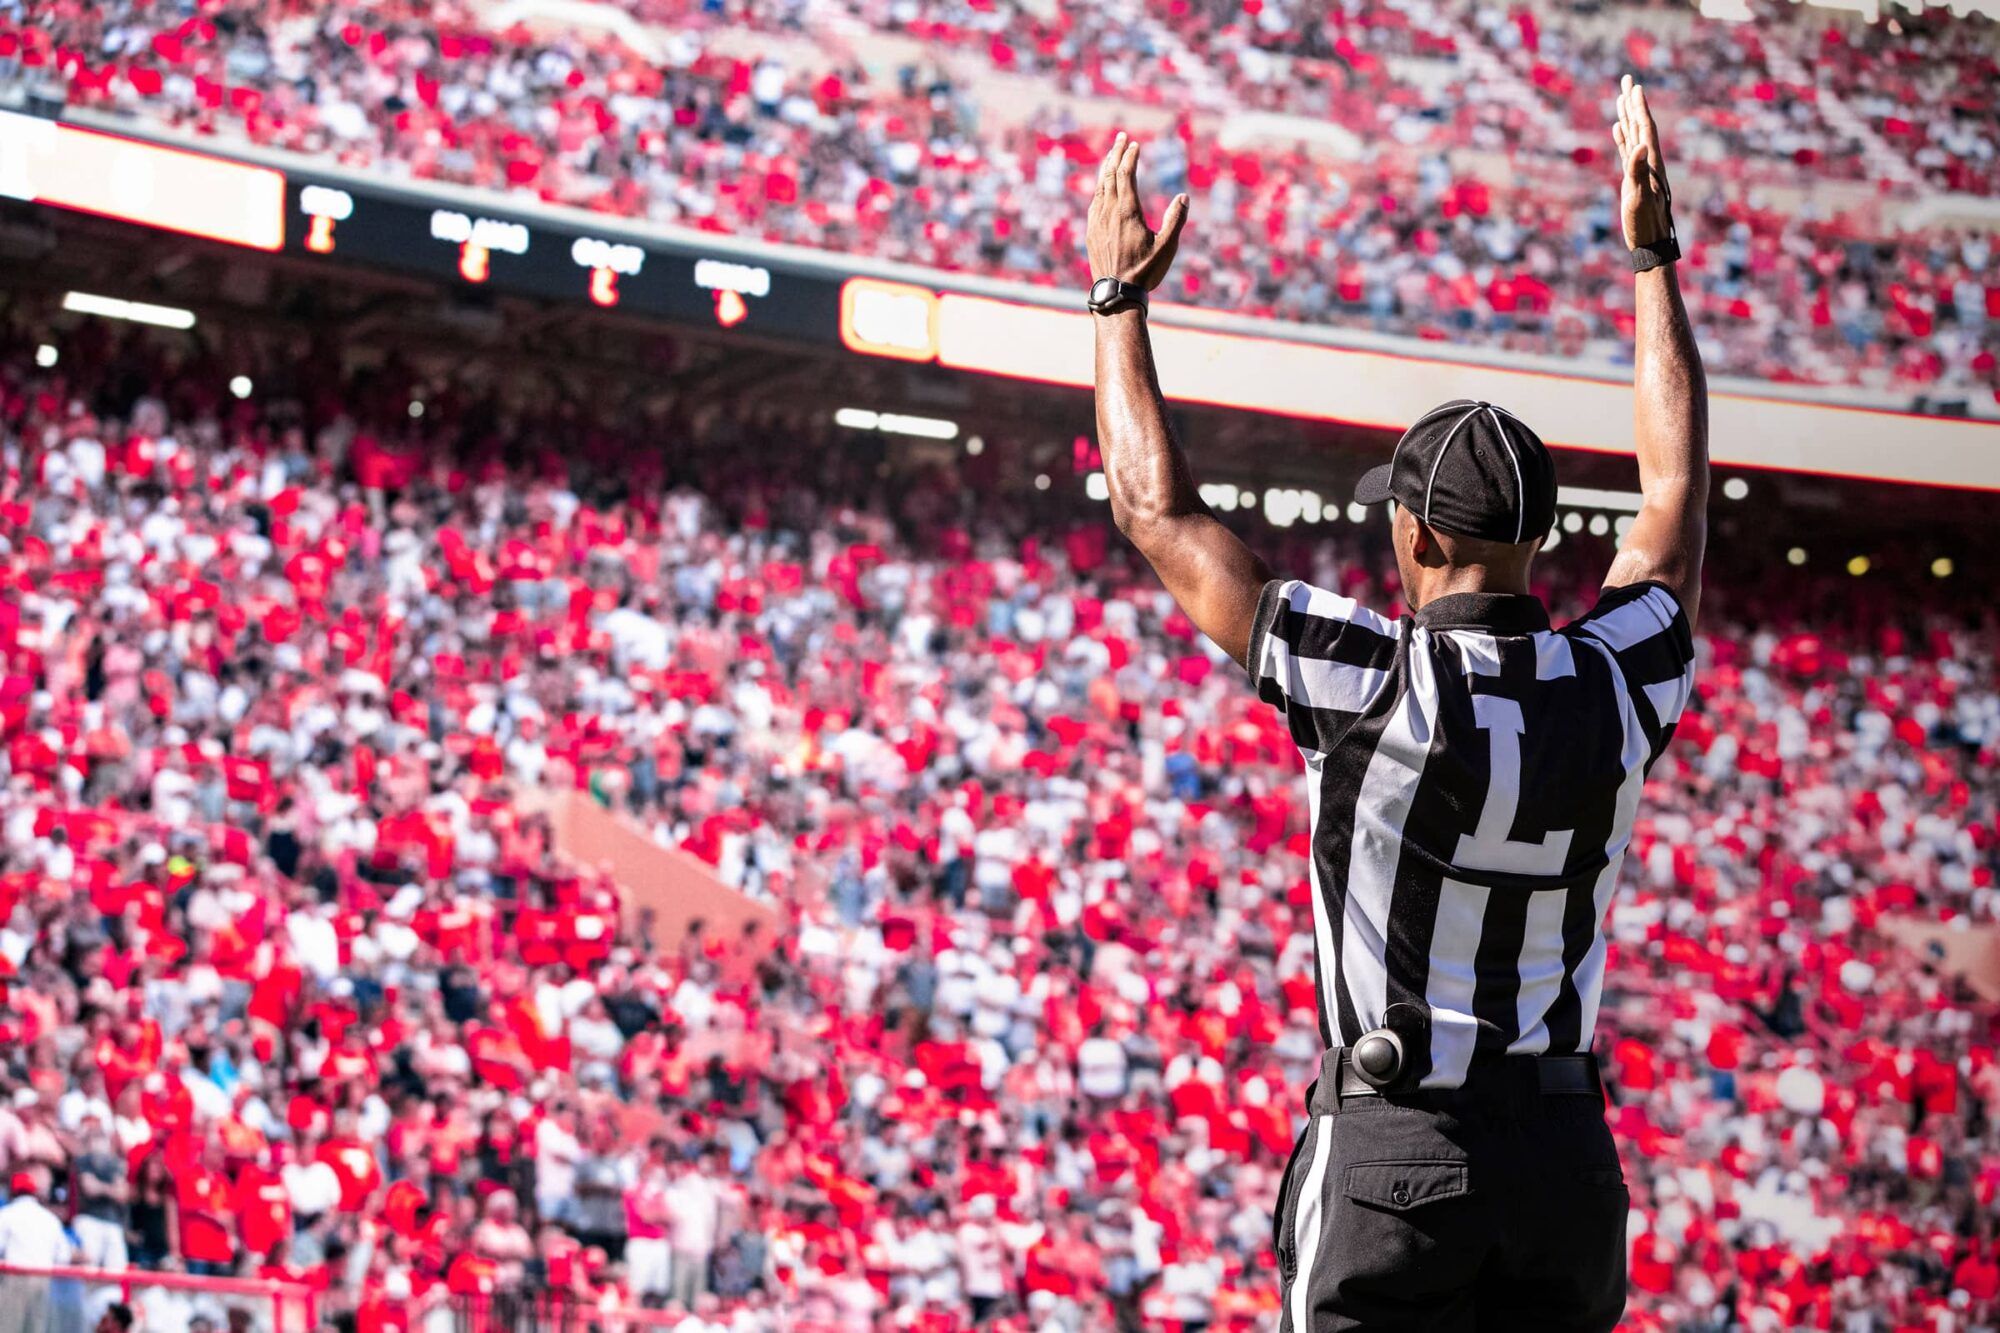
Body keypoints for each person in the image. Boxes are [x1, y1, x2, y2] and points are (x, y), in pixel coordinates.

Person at [1085, 74, 1707, 1331]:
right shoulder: (1616, 676)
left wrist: (1114, 301)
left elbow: (1155, 512)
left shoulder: (1364, 675)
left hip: (1397, 1150)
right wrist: (1653, 261)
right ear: (1538, 538)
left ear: (1415, 535)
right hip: (1563, 1163)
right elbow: (1672, 496)